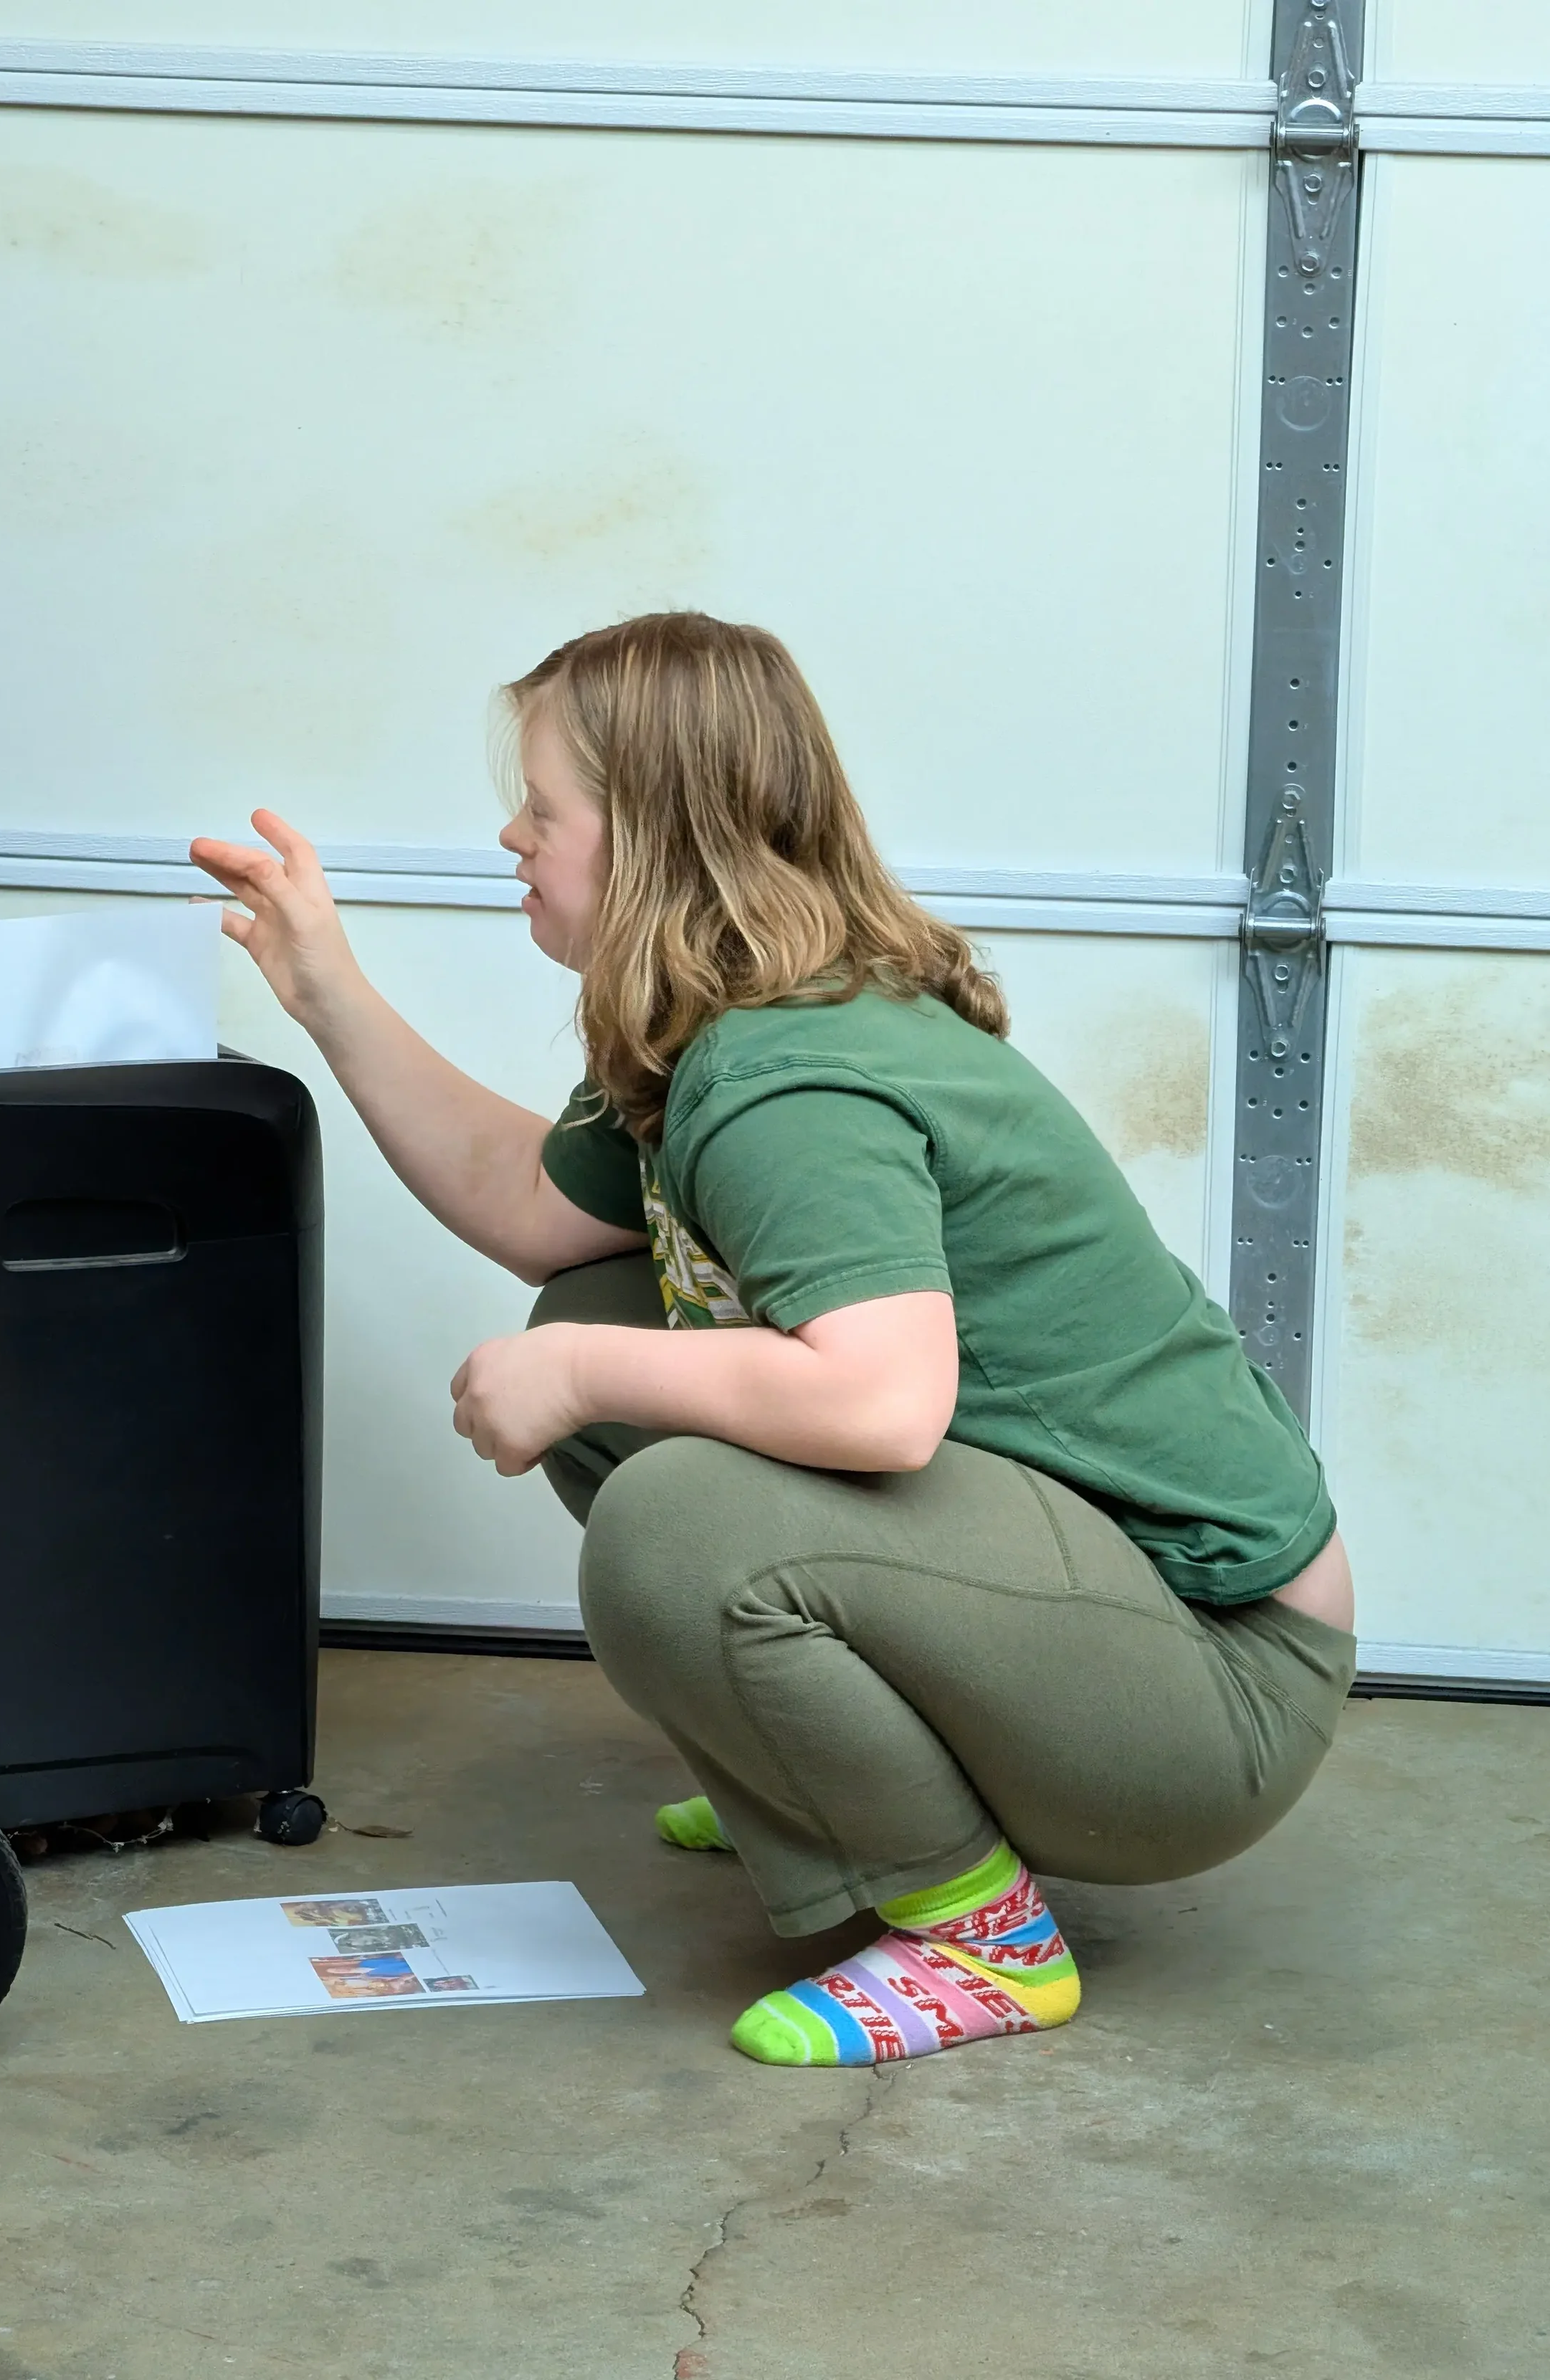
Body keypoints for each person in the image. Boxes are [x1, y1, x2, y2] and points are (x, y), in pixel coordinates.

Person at [191, 611, 1356, 2070]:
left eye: (542, 810)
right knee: (602, 1316)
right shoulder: (726, 1015)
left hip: (1210, 1691)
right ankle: (818, 1786)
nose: (509, 835)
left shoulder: (785, 1077)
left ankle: (977, 1933)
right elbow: (533, 1214)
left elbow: (879, 1405)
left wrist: (578, 1376)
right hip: (1118, 1613)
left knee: (666, 1505)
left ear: (653, 839)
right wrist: (323, 989)